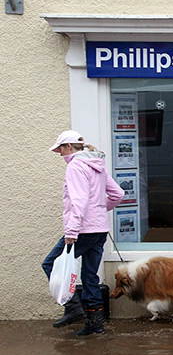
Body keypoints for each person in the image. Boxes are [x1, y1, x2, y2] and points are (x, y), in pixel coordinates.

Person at [42, 130, 124, 336]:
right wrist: (99, 209)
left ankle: (73, 308)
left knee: (50, 263)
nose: (60, 153)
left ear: (69, 147)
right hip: (99, 230)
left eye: (60, 148)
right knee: (89, 277)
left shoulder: (76, 166)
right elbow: (118, 194)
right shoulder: (97, 164)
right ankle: (95, 324)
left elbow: (79, 200)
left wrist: (71, 231)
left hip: (82, 230)